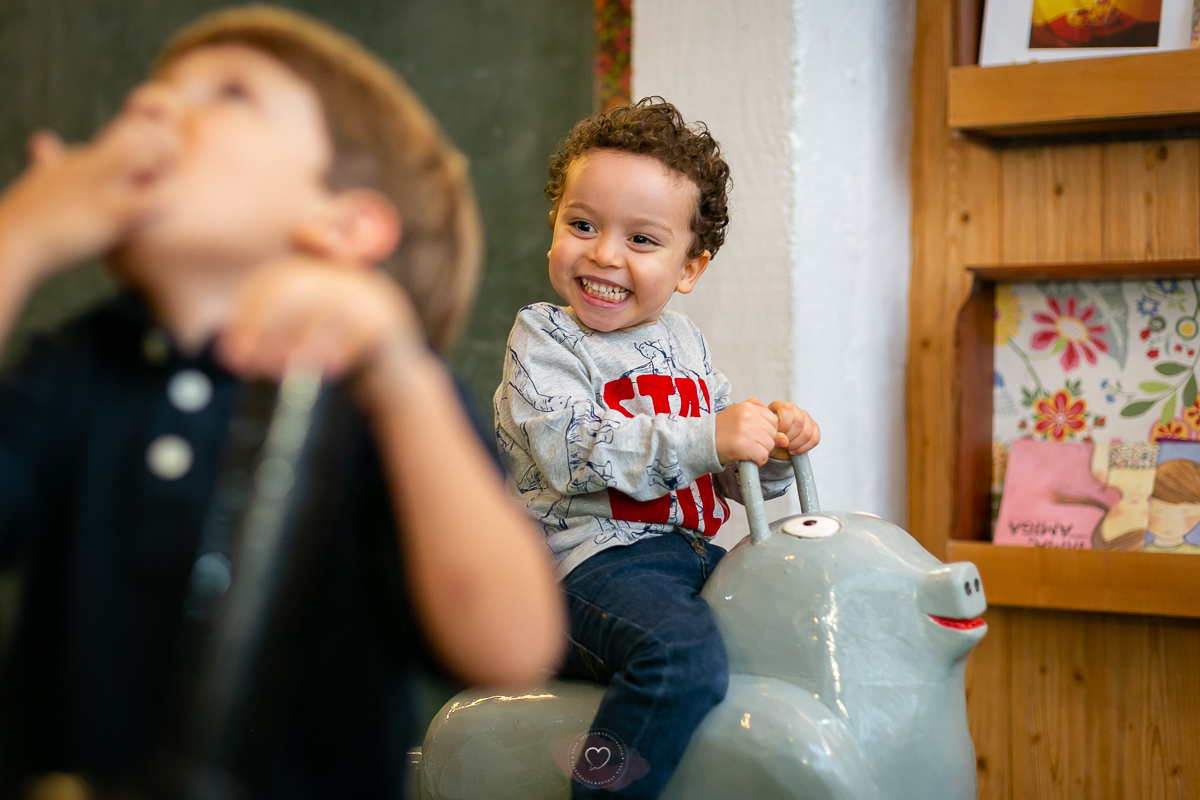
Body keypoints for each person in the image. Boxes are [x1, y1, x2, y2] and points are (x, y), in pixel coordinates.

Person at [0, 7, 564, 799]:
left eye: (229, 93)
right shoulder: (77, 367)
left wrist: (400, 375)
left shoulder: (385, 404)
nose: (147, 105)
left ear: (344, 222)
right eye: (153, 90)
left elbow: (510, 645)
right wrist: (19, 238)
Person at [494, 99, 820, 799]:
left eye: (641, 239)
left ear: (689, 268)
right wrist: (711, 434)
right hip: (581, 568)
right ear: (554, 226)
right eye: (583, 225)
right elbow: (573, 453)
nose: (604, 254)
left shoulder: (685, 344)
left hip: (683, 560)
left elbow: (725, 475)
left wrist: (770, 450)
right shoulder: (545, 338)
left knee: (789, 633)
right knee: (678, 656)